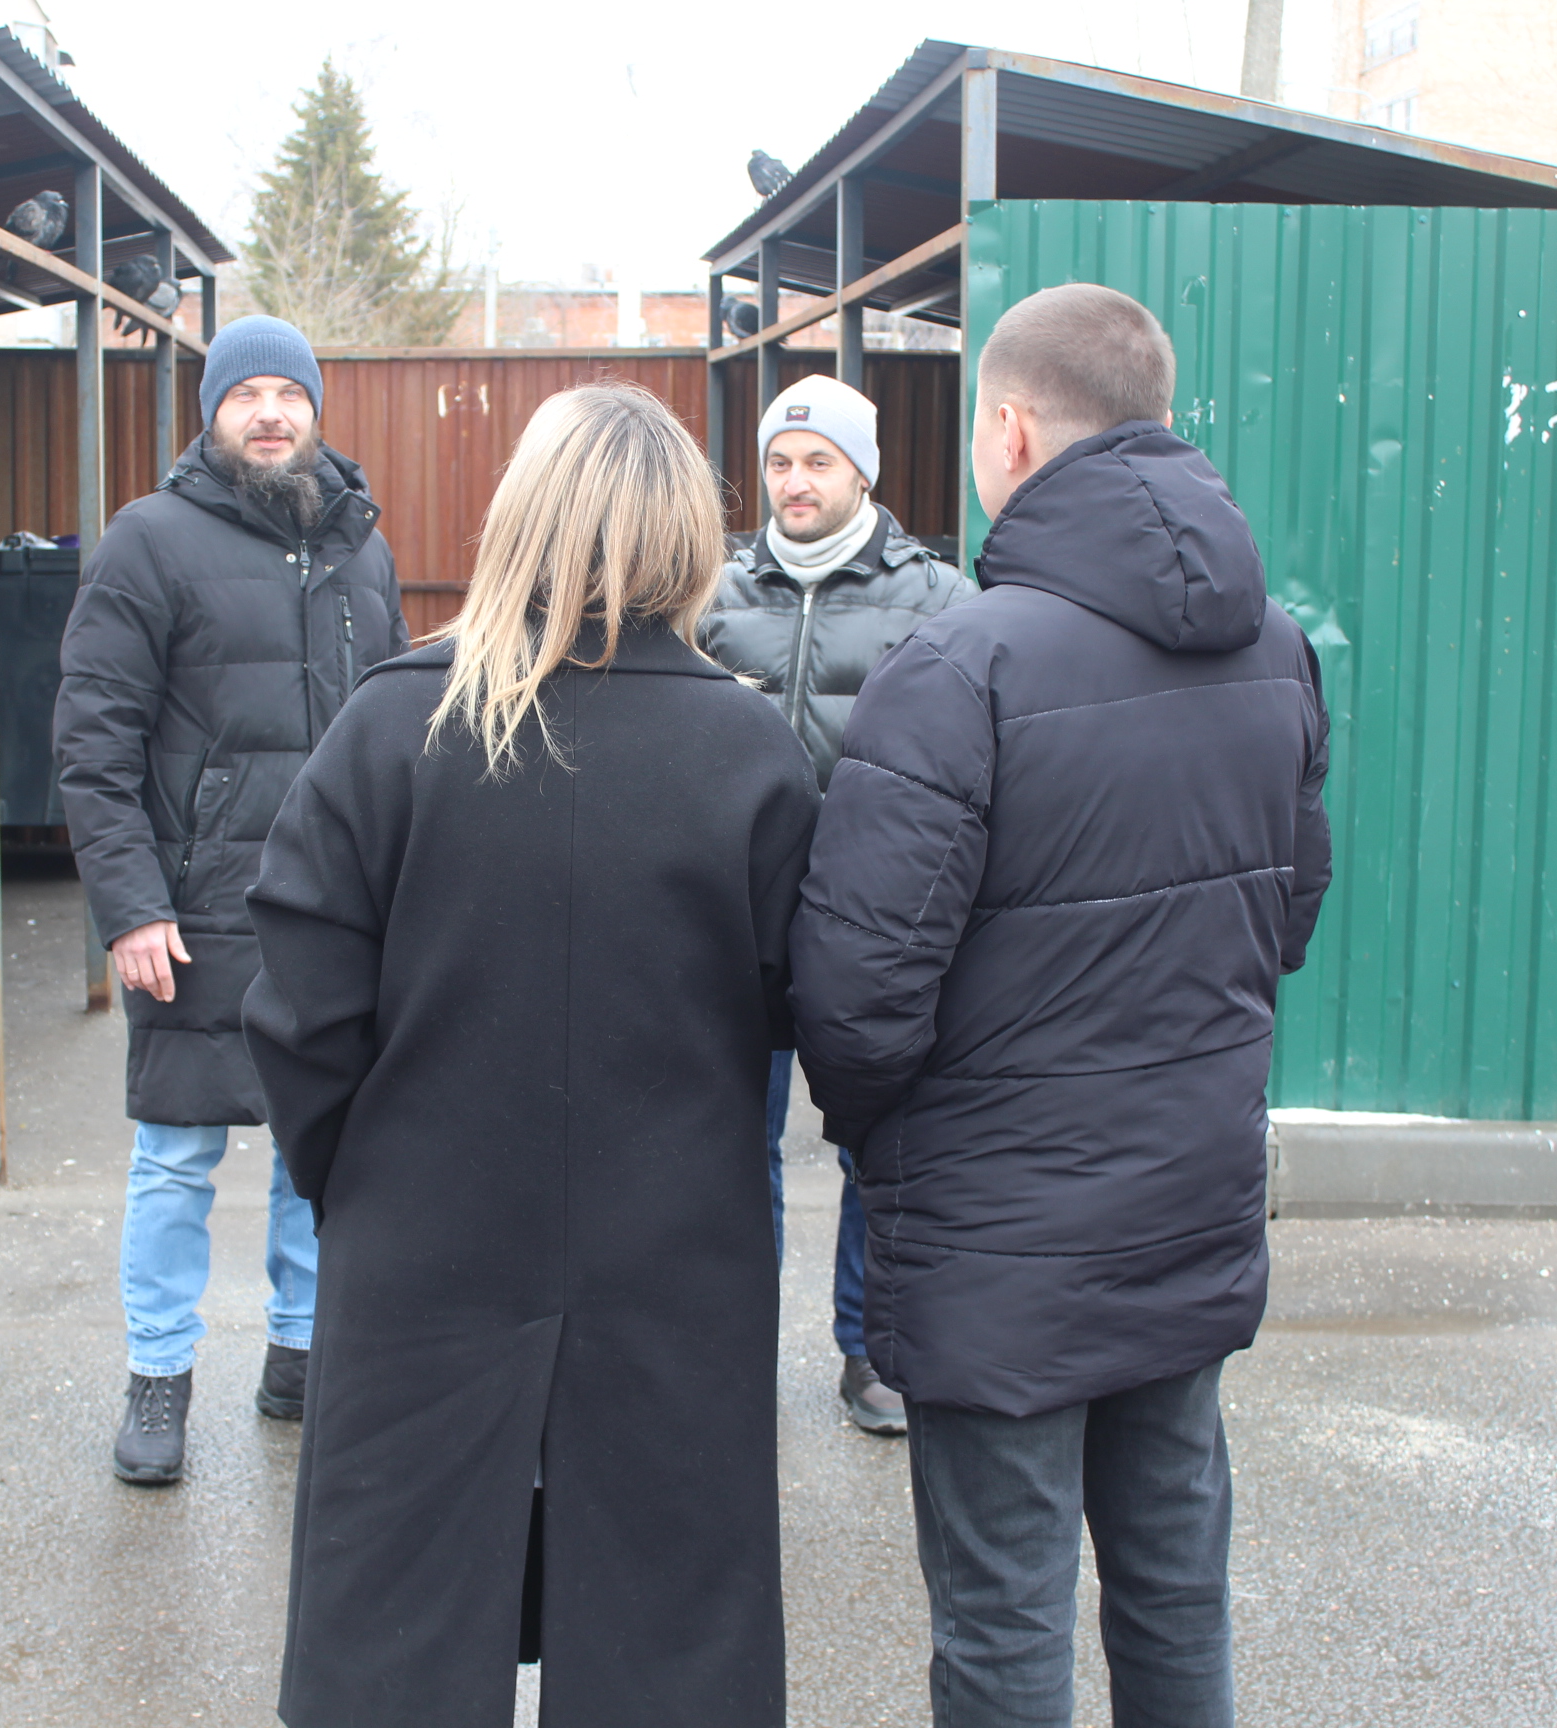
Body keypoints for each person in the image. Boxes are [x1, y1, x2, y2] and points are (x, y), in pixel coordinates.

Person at [788, 283, 1332, 1726]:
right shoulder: (1275, 648)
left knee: (1004, 1625)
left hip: (996, 1249)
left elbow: (852, 996)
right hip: (1189, 1209)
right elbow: (1287, 917)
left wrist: (894, 1139)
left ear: (1012, 432)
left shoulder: (959, 666)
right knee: (1174, 1590)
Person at [244, 382, 818, 1728]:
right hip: (677, 1257)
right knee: (672, 1634)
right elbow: (804, 1004)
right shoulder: (747, 748)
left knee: (398, 1630)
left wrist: (363, 1181)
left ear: (518, 520)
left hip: (423, 1242)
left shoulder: (394, 727)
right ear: (688, 534)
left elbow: (299, 1012)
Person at [53, 314, 408, 1488]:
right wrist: (129, 906)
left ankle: (302, 1355)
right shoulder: (147, 542)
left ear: (316, 409)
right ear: (210, 413)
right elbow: (94, 743)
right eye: (245, 393)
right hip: (197, 910)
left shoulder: (360, 543)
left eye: (289, 394)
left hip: (334, 912)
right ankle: (159, 1377)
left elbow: (401, 732)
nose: (270, 413)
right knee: (175, 1160)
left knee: (327, 1155)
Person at [700, 372, 973, 1438]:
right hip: (738, 915)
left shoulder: (939, 598)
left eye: (818, 461)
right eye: (779, 461)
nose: (795, 481)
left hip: (873, 918)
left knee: (875, 1140)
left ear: (864, 469)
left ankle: (870, 1348)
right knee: (733, 1143)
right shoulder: (714, 593)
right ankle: (735, 1339)